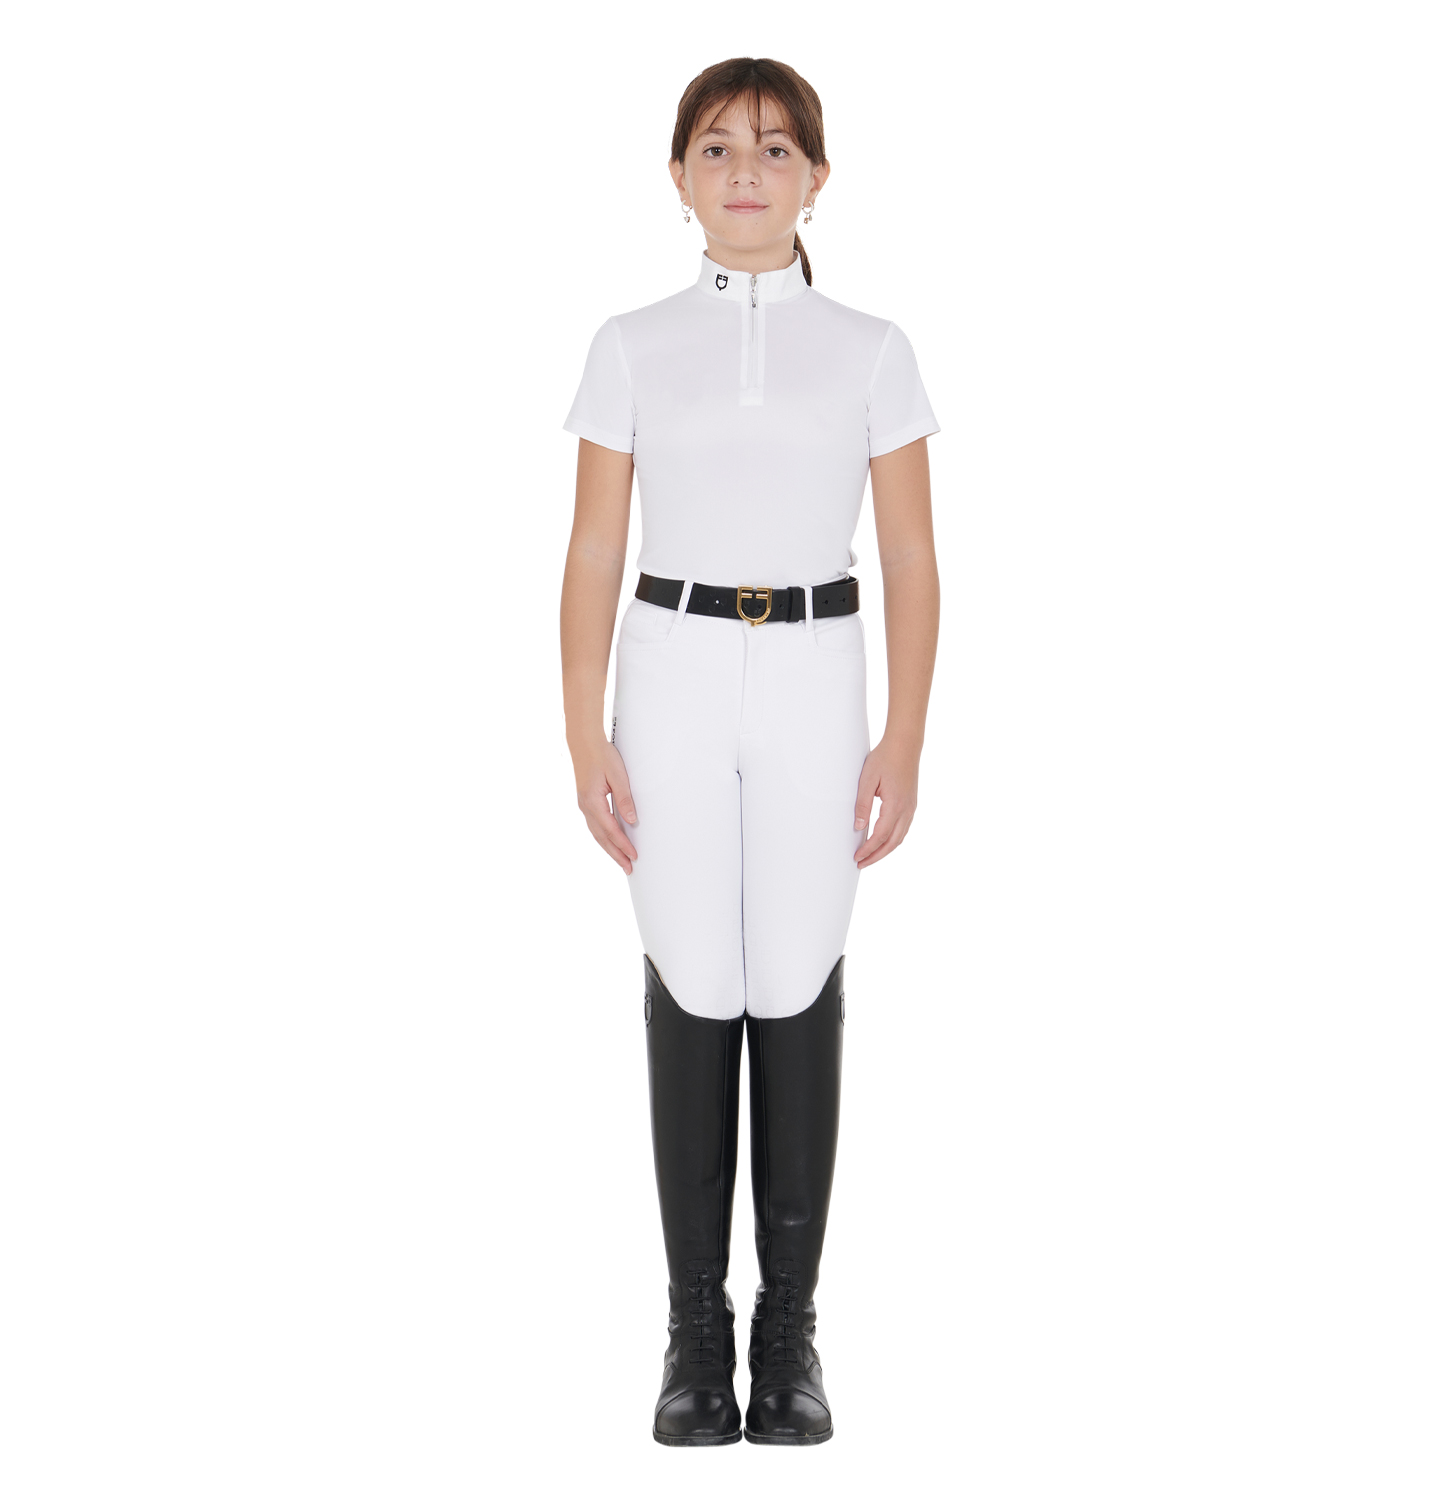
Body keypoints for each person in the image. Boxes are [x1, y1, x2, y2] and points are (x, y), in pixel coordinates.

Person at [559, 56, 940, 1448]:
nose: (745, 172)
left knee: (793, 969)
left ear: (817, 179)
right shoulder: (630, 344)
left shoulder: (873, 350)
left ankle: (790, 1336)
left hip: (815, 671)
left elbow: (911, 555)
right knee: (691, 970)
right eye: (717, 148)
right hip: (670, 667)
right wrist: (583, 725)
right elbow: (593, 548)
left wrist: (904, 732)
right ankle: (692, 1334)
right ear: (678, 177)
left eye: (776, 150)